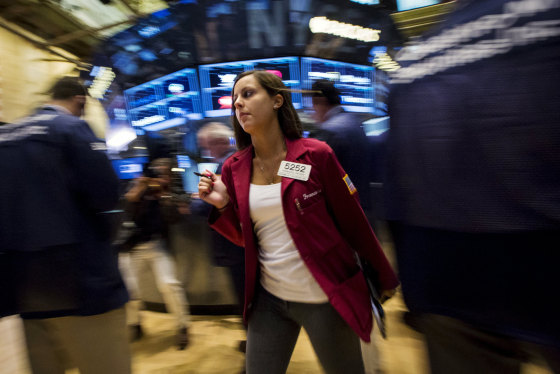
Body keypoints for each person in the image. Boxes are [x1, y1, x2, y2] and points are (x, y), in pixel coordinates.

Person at [386, 1, 560, 373]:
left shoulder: (414, 62)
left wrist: (414, 293)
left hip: (444, 275)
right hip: (542, 252)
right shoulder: (548, 20)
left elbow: (398, 190)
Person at [197, 70, 399, 374]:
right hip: (269, 299)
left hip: (323, 295)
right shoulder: (233, 168)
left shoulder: (316, 155)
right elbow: (246, 238)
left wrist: (384, 277)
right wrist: (223, 204)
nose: (238, 103)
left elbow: (352, 220)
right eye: (235, 99)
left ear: (277, 100)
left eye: (248, 94)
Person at [0, 76, 130, 373]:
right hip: (85, 285)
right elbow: (107, 196)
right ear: (80, 101)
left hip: (25, 292)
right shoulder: (71, 129)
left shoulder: (5, 137)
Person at [311, 79, 385, 373]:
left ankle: (366, 365)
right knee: (365, 293)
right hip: (366, 219)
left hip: (342, 230)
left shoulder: (330, 132)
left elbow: (309, 178)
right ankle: (374, 363)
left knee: (350, 301)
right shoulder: (357, 126)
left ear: (319, 103)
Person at [123, 157, 191, 350]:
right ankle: (135, 323)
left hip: (156, 245)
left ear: (170, 176)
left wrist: (163, 195)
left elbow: (175, 218)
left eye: (164, 174)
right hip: (134, 248)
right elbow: (127, 207)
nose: (160, 177)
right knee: (130, 290)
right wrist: (140, 187)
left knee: (169, 285)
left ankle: (183, 326)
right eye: (157, 172)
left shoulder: (170, 193)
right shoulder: (141, 189)